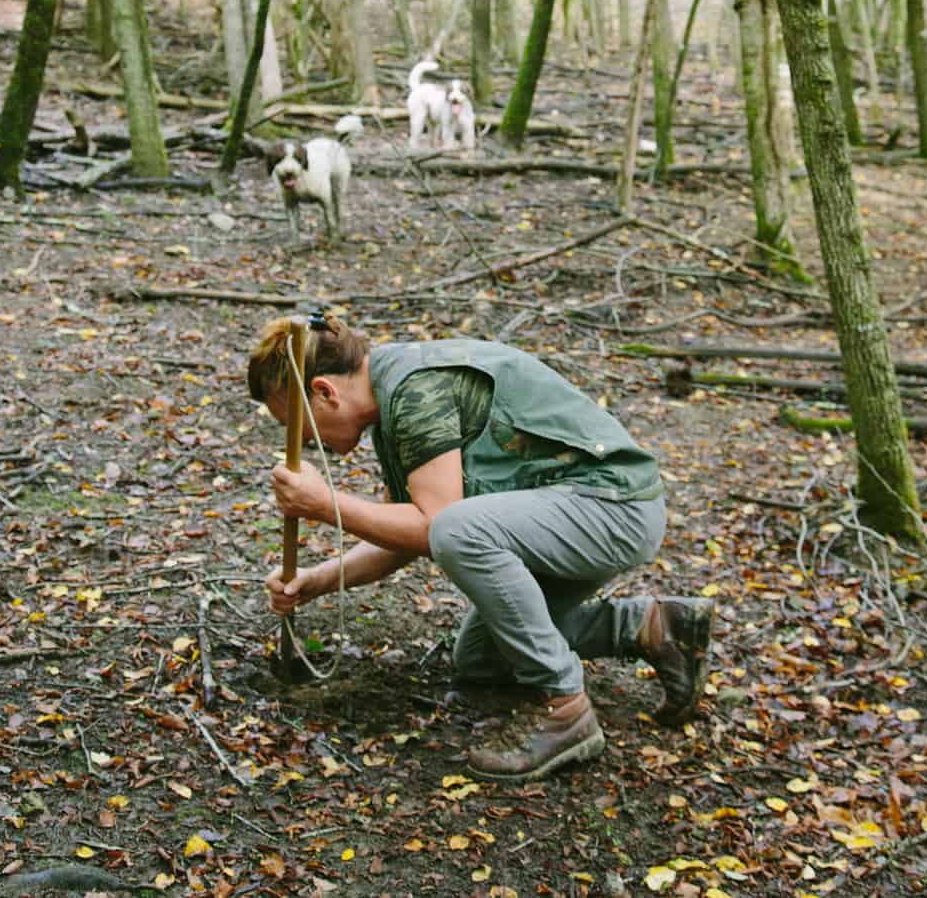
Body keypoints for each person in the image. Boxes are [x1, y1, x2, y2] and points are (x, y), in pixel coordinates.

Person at [247, 313, 712, 783]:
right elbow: (402, 535)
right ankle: (653, 627)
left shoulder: (415, 391)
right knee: (481, 658)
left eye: (299, 427)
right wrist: (316, 581)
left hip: (614, 509)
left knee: (456, 530)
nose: (306, 443)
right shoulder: (391, 398)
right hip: (580, 513)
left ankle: (566, 708)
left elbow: (437, 527)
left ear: (325, 391)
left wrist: (326, 505)